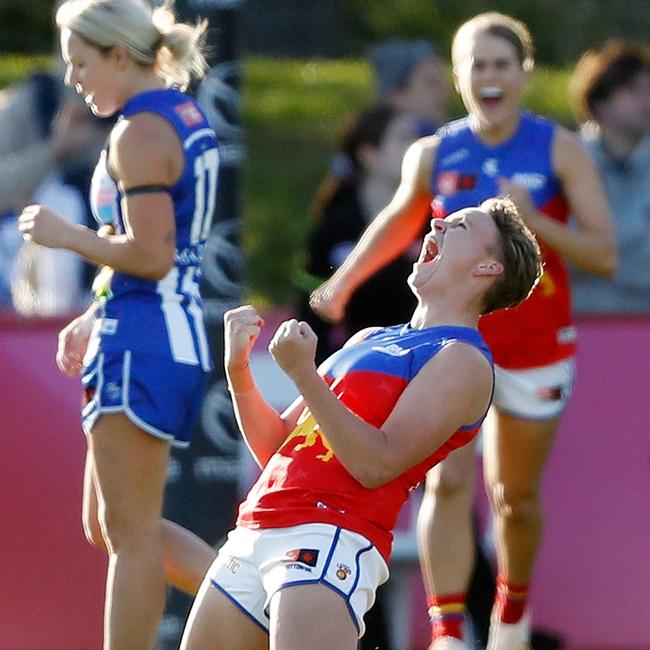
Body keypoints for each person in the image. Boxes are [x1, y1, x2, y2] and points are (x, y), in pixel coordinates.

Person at [310, 12, 618, 650]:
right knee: (447, 483)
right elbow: (398, 222)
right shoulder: (436, 151)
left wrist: (536, 222)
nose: (490, 77)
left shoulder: (558, 148)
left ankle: (512, 615)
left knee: (515, 500)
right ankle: (448, 632)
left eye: (502, 64)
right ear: (459, 77)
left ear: (524, 75)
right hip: (453, 349)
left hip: (537, 348)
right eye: (476, 65)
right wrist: (341, 284)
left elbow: (604, 253)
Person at [179, 197, 543, 650]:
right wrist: (239, 372)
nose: (438, 223)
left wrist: (304, 375)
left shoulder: (463, 359)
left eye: (460, 226)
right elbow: (280, 450)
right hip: (258, 527)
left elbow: (376, 463)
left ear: (488, 268)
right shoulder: (370, 337)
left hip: (330, 535)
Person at [17, 0, 220, 647]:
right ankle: (264, 605)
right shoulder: (176, 112)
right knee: (109, 526)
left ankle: (269, 610)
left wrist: (66, 236)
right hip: (147, 329)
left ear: (119, 56)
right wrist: (96, 310)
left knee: (128, 535)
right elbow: (158, 252)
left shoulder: (141, 132)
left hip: (147, 338)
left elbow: (153, 254)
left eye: (81, 63)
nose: (73, 80)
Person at [296, 104, 420, 363]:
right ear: (368, 154)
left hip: (422, 362)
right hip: (350, 364)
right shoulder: (335, 225)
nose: (416, 146)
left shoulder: (433, 219)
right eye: (403, 138)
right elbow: (309, 305)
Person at [309, 39, 450, 221]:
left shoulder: (448, 141)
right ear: (397, 95)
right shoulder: (346, 196)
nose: (445, 93)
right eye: (431, 84)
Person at [569, 40, 650, 314]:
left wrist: (598, 253)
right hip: (581, 326)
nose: (647, 98)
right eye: (633, 89)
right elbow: (559, 257)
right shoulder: (564, 164)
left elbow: (592, 257)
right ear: (599, 103)